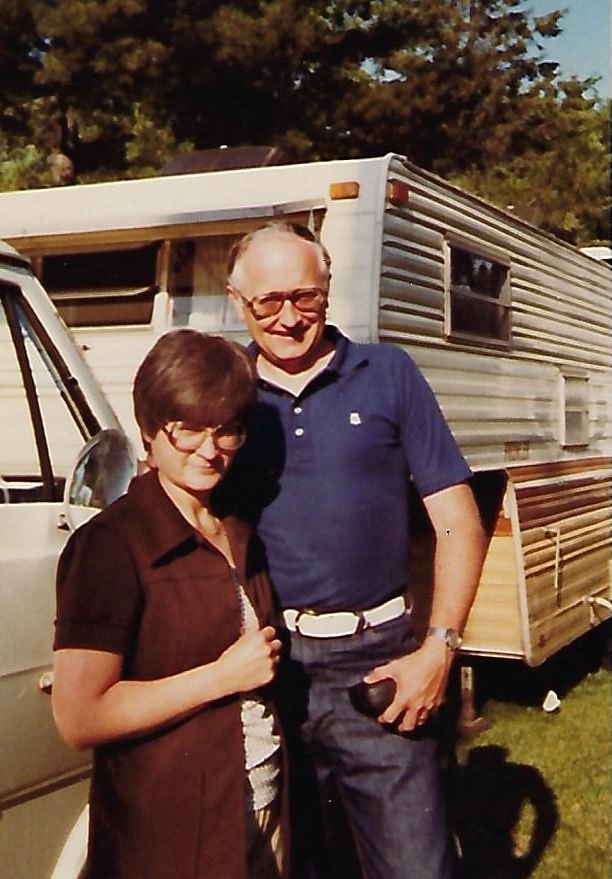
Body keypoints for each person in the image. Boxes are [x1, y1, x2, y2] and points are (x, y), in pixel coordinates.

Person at [222, 222, 489, 879]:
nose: (289, 318)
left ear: (328, 290)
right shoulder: (225, 395)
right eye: (269, 301)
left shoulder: (388, 373)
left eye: (306, 297)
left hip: (381, 667)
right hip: (272, 673)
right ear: (237, 302)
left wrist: (439, 650)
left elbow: (459, 522)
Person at [52, 329, 287, 879]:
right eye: (187, 429)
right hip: (173, 832)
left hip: (261, 803)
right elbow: (79, 716)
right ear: (150, 431)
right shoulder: (112, 545)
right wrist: (221, 677)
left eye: (226, 430)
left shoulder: (235, 529)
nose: (209, 449)